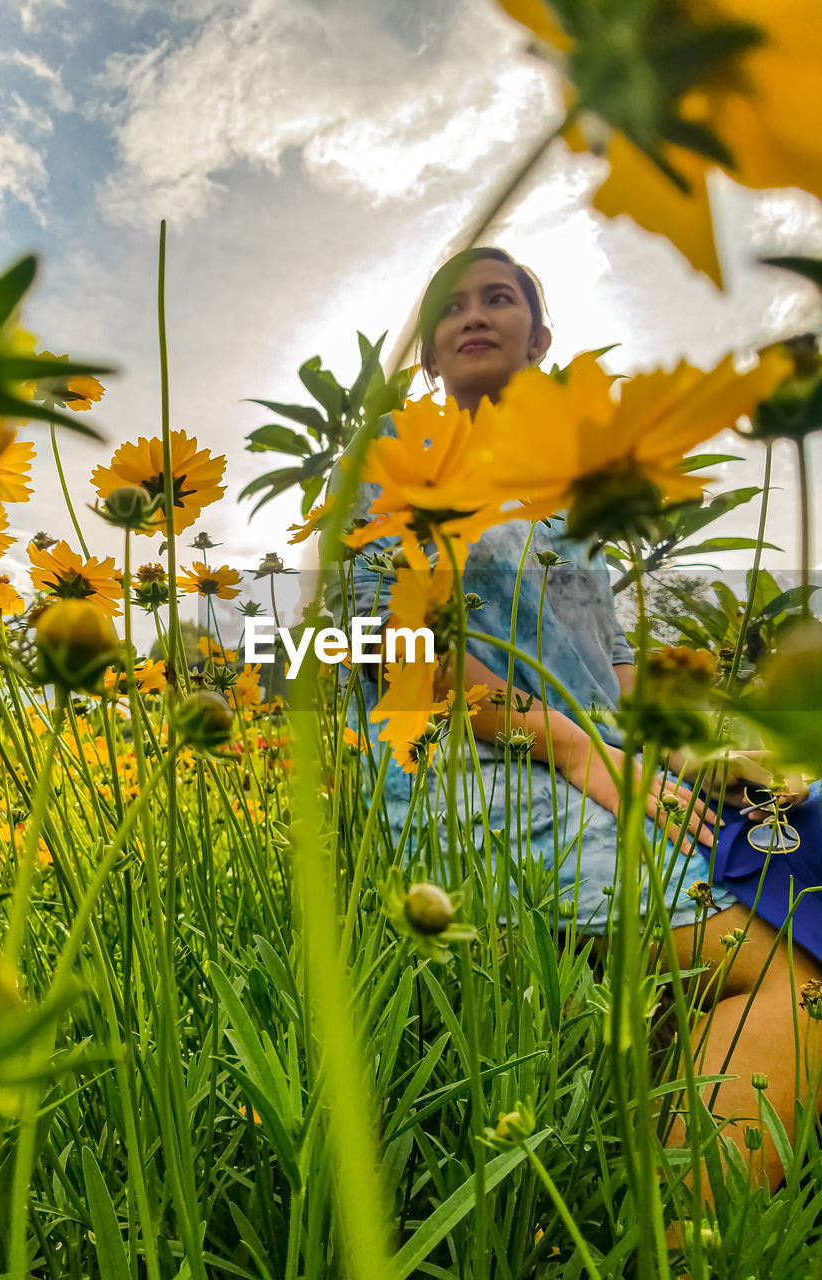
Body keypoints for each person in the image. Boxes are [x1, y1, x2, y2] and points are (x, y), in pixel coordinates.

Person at [320, 246, 822, 1216]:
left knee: (806, 834)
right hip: (475, 771)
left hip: (601, 769)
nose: (474, 313)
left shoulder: (573, 500)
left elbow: (619, 674)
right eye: (451, 305)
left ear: (541, 337)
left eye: (499, 297)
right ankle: (688, 1243)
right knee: (792, 980)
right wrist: (585, 750)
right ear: (425, 350)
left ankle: (650, 1154)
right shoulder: (391, 459)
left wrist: (691, 752)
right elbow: (405, 659)